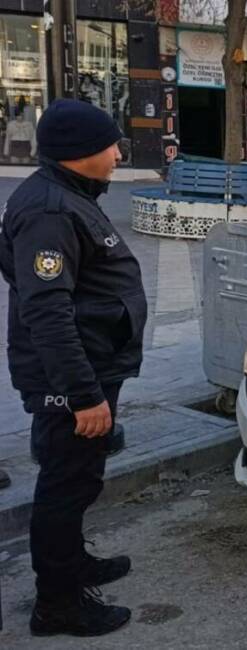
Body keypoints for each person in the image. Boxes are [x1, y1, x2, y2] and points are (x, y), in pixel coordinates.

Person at [0, 98, 146, 636]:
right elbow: (47, 310)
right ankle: (58, 604)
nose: (116, 153)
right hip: (72, 379)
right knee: (64, 485)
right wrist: (83, 395)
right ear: (80, 152)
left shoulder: (69, 195)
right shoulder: (51, 211)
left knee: (80, 480)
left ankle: (71, 565)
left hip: (89, 365)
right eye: (110, 144)